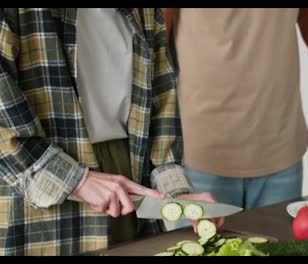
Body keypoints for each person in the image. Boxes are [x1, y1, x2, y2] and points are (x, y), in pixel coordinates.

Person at [0, 8, 222, 256]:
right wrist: (76, 180)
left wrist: (177, 192)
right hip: (36, 190)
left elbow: (162, 102)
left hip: (128, 175)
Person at [162, 8, 308, 210]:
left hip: (280, 147)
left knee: (280, 242)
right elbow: (156, 32)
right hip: (201, 152)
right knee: (201, 243)